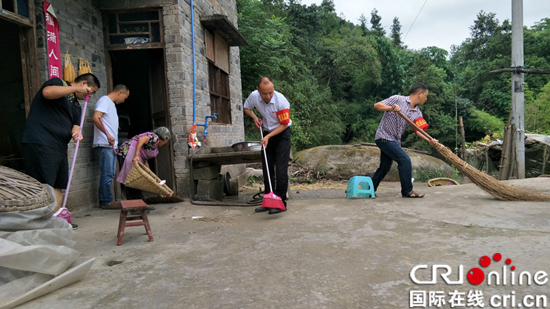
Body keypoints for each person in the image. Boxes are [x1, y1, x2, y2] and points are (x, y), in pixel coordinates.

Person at [21, 73, 100, 215]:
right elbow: (47, 93)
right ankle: (42, 221)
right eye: (91, 91)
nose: (90, 95)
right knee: (45, 185)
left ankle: (56, 220)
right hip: (42, 142)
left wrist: (77, 134)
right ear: (83, 84)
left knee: (58, 184)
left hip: (59, 148)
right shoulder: (58, 83)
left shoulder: (77, 107)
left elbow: (76, 127)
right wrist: (74, 88)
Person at [372, 82, 438, 198]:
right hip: (384, 136)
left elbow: (419, 131)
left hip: (395, 141)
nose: (426, 99)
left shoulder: (417, 113)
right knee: (405, 160)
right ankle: (407, 190)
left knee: (385, 167)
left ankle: (369, 190)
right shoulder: (397, 99)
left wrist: (430, 140)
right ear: (419, 93)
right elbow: (377, 106)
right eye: (425, 96)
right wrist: (390, 108)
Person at [244, 77, 291, 214]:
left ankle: (280, 203)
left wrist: (269, 136)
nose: (268, 96)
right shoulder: (254, 96)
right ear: (258, 90)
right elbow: (247, 108)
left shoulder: (281, 101)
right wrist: (254, 117)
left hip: (281, 135)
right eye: (264, 93)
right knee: (267, 169)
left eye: (270, 92)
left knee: (281, 171)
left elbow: (284, 124)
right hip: (266, 133)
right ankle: (269, 200)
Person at [92, 84, 130, 209]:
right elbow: (96, 117)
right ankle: (106, 201)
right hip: (104, 144)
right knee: (107, 173)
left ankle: (107, 200)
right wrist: (107, 134)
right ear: (120, 92)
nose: (124, 101)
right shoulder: (105, 101)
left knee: (110, 173)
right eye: (125, 97)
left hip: (109, 145)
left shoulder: (111, 105)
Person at [116, 127, 171, 201]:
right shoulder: (154, 138)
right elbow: (141, 139)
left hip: (136, 156)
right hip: (128, 153)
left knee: (135, 180)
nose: (165, 143)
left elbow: (145, 158)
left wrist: (148, 172)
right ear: (164, 138)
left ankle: (139, 202)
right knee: (132, 180)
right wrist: (136, 156)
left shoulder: (154, 144)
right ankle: (134, 204)